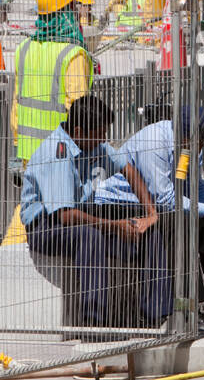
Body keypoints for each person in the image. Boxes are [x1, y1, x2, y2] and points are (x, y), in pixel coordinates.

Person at [22, 95, 165, 332]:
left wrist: (150, 213)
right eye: (99, 133)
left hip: (81, 215)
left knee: (147, 229)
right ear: (79, 130)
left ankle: (154, 316)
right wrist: (115, 225)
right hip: (47, 227)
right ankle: (93, 323)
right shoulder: (57, 152)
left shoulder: (94, 144)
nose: (104, 139)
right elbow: (65, 215)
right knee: (89, 236)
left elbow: (127, 168)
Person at [93, 108, 204, 334]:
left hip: (156, 203)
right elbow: (164, 198)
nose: (200, 146)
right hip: (120, 203)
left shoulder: (192, 146)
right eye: (197, 141)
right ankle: (187, 310)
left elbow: (195, 187)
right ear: (182, 135)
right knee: (177, 222)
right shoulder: (154, 141)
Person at [11, 0, 94, 164]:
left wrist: (17, 142)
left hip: (28, 154)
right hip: (61, 156)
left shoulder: (24, 49)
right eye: (73, 6)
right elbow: (79, 108)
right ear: (67, 11)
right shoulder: (73, 54)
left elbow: (17, 103)